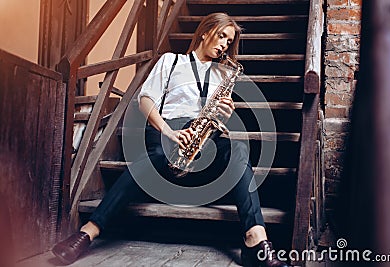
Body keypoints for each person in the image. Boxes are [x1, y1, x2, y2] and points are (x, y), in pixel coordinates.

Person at [52, 13, 288, 267]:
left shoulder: (222, 75)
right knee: (152, 157)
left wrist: (226, 115)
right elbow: (145, 101)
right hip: (167, 133)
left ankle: (256, 237)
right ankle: (88, 231)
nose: (224, 45)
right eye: (221, 36)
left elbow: (214, 122)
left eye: (229, 42)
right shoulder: (170, 61)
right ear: (205, 32)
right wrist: (169, 132)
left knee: (239, 148)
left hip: (201, 143)